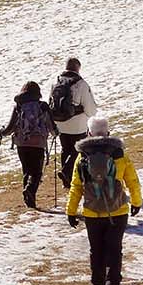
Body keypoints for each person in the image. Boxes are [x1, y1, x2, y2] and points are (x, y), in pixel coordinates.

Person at [66, 115, 143, 285]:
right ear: (108, 132)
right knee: (114, 250)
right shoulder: (119, 154)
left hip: (92, 212)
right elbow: (132, 180)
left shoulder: (82, 156)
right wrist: (136, 202)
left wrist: (71, 210)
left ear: (89, 133)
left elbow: (76, 186)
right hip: (117, 211)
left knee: (96, 251)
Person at [0, 81, 56, 208]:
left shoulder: (18, 106)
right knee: (36, 172)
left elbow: (10, 127)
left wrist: (2, 132)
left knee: (26, 170)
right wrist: (55, 132)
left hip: (22, 144)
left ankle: (28, 199)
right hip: (38, 143)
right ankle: (30, 191)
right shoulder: (43, 106)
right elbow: (51, 126)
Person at [48, 56, 99, 188]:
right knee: (78, 149)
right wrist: (90, 115)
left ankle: (67, 180)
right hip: (78, 124)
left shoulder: (56, 82)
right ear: (78, 68)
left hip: (60, 122)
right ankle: (66, 172)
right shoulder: (81, 84)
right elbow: (90, 108)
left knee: (66, 149)